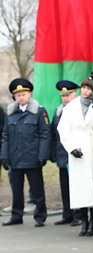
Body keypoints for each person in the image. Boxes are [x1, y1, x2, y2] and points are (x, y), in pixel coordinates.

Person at [57, 71, 93, 236]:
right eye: (84, 88)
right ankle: (83, 222)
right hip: (78, 150)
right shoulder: (71, 107)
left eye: (89, 89)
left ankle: (92, 223)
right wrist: (71, 147)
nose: (85, 91)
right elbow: (63, 128)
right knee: (81, 187)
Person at [1, 78, 51, 227]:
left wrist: (43, 155)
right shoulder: (11, 113)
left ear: (30, 94)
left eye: (23, 94)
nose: (21, 97)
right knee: (16, 190)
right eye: (18, 95)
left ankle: (40, 216)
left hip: (33, 157)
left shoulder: (39, 112)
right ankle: (16, 216)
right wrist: (4, 156)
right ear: (14, 97)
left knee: (37, 189)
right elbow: (5, 136)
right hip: (15, 157)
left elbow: (45, 134)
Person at [51, 80, 81, 226]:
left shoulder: (80, 110)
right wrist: (53, 153)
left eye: (68, 95)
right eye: (63, 95)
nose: (65, 98)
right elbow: (53, 134)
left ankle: (79, 215)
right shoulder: (58, 111)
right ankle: (67, 214)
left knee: (77, 186)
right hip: (63, 155)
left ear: (75, 94)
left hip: (76, 155)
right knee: (65, 186)